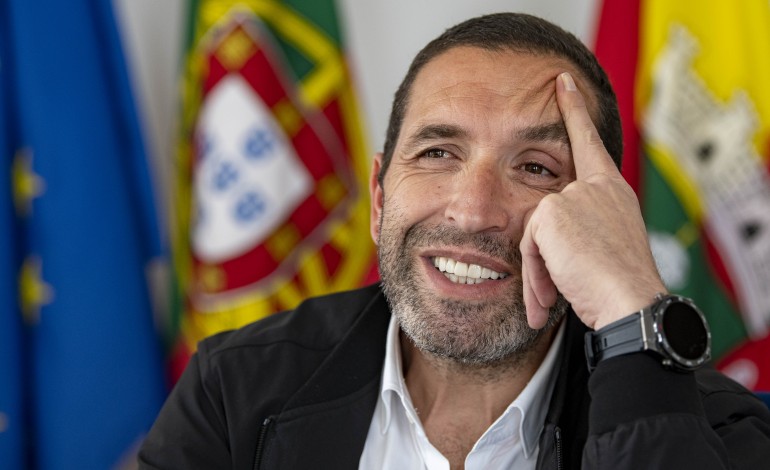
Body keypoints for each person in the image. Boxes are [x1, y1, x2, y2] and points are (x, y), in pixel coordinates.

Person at [138, 12, 770, 469]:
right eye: (438, 153)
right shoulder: (233, 390)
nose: (472, 213)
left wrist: (633, 309)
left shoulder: (722, 434)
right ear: (379, 197)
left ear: (601, 217)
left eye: (536, 168)